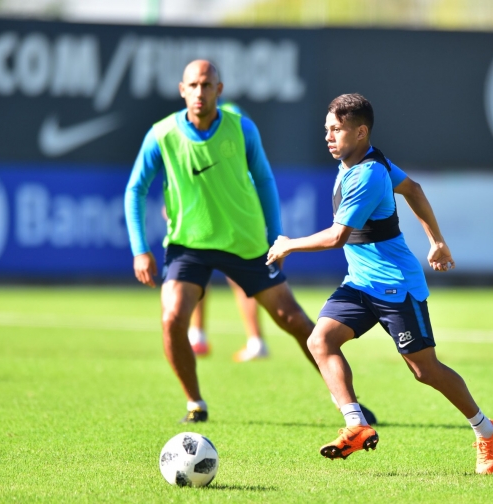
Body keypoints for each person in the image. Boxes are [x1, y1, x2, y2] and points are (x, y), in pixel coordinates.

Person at [124, 60, 378, 423]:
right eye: (193, 85)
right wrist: (140, 250)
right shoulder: (161, 134)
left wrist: (277, 238)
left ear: (219, 90)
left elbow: (264, 181)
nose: (200, 92)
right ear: (182, 90)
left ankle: (349, 403)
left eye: (207, 85)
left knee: (294, 320)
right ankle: (195, 404)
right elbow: (135, 189)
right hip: (188, 245)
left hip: (244, 243)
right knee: (171, 319)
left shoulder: (241, 129)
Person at [266, 93, 493, 474]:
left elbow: (337, 237)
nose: (328, 137)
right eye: (326, 129)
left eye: (337, 130)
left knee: (425, 370)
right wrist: (436, 241)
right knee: (319, 341)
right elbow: (413, 189)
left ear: (360, 132)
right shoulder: (363, 160)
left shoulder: (368, 174)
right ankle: (356, 424)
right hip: (361, 283)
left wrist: (288, 245)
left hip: (396, 287)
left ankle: (486, 430)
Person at [186, 101, 268, 363]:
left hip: (232, 217)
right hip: (216, 217)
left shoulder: (231, 123)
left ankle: (253, 341)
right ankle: (198, 336)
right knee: (202, 274)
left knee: (237, 279)